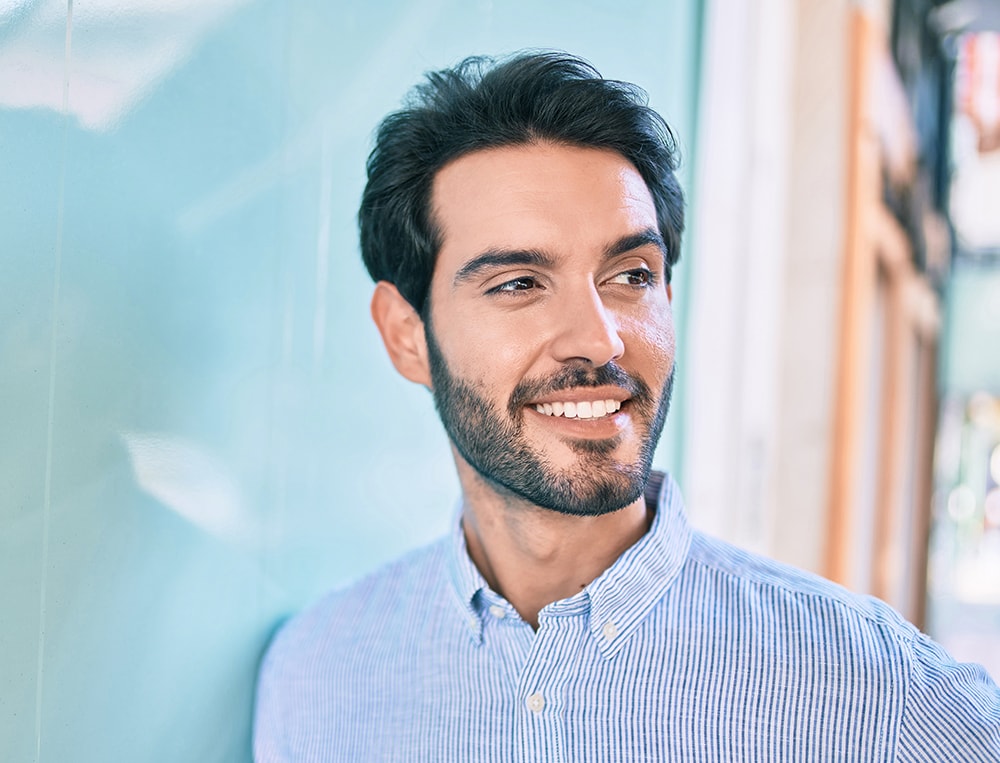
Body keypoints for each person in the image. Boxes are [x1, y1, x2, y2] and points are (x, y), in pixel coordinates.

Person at [253, 51, 1000, 761]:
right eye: (518, 282)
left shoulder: (872, 692)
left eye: (631, 274)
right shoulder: (316, 678)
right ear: (407, 335)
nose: (599, 338)